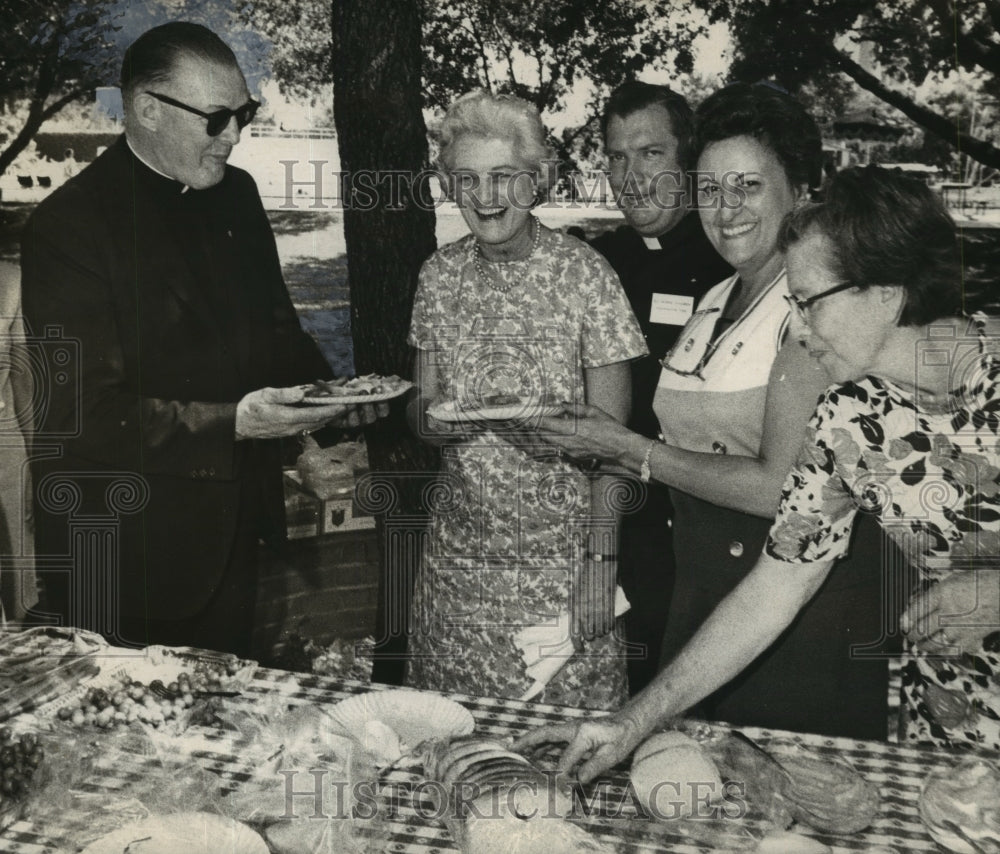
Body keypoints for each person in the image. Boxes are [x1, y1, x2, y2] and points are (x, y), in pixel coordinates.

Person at [518, 167, 999, 774]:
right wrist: (631, 722)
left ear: (885, 291)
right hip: (956, 727)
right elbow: (776, 586)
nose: (796, 329)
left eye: (809, 303)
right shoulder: (849, 417)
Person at [533, 83, 896, 739]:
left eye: (749, 187)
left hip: (793, 614)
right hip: (700, 599)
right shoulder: (720, 297)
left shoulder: (812, 308)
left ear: (801, 190)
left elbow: (781, 488)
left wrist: (627, 448)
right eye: (709, 188)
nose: (724, 209)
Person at [20, 22, 385, 656]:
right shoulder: (68, 228)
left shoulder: (237, 195)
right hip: (122, 560)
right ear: (147, 110)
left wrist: (327, 416)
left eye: (244, 113)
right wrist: (240, 422)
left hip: (233, 538)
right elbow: (78, 414)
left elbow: (274, 333)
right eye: (217, 119)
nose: (236, 137)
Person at [404, 90, 647, 709]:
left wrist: (601, 563)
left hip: (565, 573)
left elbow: (617, 449)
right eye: (467, 179)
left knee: (561, 767)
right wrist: (446, 420)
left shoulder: (587, 275)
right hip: (457, 573)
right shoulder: (438, 275)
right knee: (449, 753)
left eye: (504, 176)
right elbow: (421, 417)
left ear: (537, 178)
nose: (486, 197)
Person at [586, 81, 732, 694]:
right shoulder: (595, 262)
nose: (630, 176)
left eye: (650, 154)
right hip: (612, 514)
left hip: (700, 518)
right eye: (617, 157)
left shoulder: (730, 262)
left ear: (687, 161)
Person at [0, 262, 38, 624]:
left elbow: (23, 381)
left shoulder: (9, 281)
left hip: (5, 456)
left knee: (13, 590)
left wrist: (35, 467)